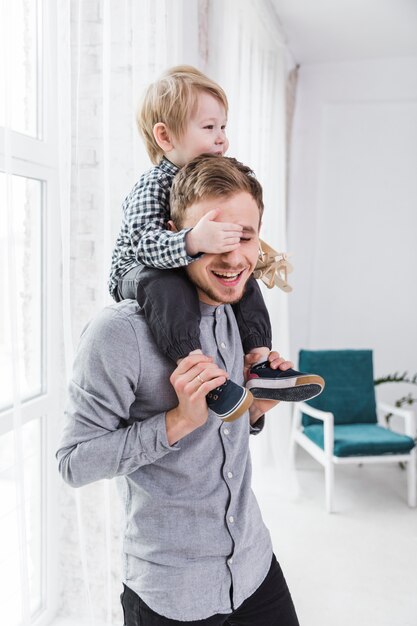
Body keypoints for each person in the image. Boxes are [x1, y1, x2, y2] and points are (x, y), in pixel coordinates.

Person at [57, 155, 300, 625]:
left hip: (253, 567)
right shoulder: (118, 333)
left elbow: (220, 447)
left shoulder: (239, 316)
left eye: (244, 237)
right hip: (172, 594)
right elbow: (72, 463)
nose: (233, 258)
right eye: (216, 238)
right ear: (175, 235)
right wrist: (177, 421)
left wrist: (255, 409)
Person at [108, 65, 324, 421]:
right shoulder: (152, 186)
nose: (221, 138)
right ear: (165, 137)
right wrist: (193, 239)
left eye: (223, 127)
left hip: (179, 263)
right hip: (137, 272)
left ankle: (258, 363)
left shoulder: (208, 181)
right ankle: (195, 365)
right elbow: (144, 245)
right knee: (165, 281)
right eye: (209, 128)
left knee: (246, 277)